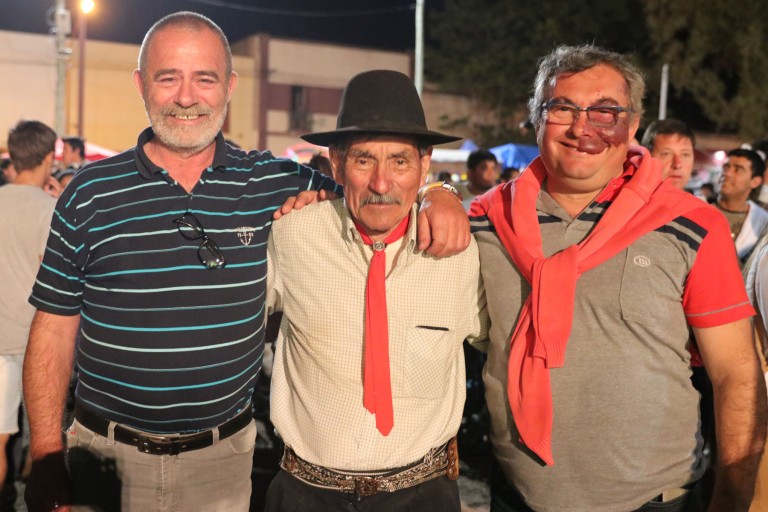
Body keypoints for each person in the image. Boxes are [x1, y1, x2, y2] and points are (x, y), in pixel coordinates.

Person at [23, 11, 467, 512]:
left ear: (229, 86)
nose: (186, 97)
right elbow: (53, 328)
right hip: (103, 458)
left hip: (222, 464)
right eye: (168, 78)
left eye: (204, 79)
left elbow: (376, 189)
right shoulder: (88, 193)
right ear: (141, 84)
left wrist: (439, 192)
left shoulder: (277, 182)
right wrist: (45, 455)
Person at [469, 44, 766, 511]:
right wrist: (434, 196)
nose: (582, 127)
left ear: (632, 125)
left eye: (605, 112)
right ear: (537, 118)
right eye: (562, 108)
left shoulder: (692, 224)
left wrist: (732, 500)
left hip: (655, 503)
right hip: (516, 497)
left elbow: (737, 373)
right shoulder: (483, 221)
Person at [264, 69, 488, 512]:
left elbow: (515, 351)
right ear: (336, 163)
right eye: (364, 160)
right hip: (306, 496)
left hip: (423, 497)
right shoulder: (292, 236)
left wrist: (444, 192)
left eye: (400, 162)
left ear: (424, 165)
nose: (381, 184)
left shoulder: (461, 255)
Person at [0, 120, 58, 497]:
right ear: (50, 157)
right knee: (46, 444)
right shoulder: (50, 210)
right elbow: (54, 278)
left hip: (2, 339)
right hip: (38, 339)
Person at [715, 147, 768, 264]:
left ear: (755, 182)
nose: (727, 173)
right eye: (726, 167)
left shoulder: (762, 222)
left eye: (737, 170)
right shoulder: (699, 207)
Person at [640, 118, 696, 190]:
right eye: (666, 154)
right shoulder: (629, 196)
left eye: (685, 155)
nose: (677, 165)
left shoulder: (696, 197)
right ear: (646, 158)